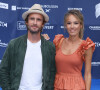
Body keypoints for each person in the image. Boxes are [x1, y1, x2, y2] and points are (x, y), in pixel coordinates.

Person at [0, 4, 56, 90]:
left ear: (43, 24)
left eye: (38, 20)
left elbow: (52, 74)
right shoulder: (14, 44)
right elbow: (3, 70)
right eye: (32, 19)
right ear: (26, 22)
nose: (35, 22)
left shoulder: (50, 47)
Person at [43, 10, 95, 90]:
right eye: (69, 23)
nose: (72, 26)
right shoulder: (58, 41)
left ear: (81, 25)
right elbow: (47, 60)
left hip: (77, 87)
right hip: (57, 86)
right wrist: (43, 42)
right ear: (65, 25)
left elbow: (87, 74)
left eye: (76, 23)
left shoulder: (86, 46)